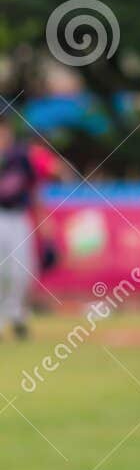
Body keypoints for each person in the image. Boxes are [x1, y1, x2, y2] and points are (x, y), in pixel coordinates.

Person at [0, 106, 36, 338]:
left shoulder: (20, 155)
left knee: (23, 271)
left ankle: (18, 315)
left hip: (19, 216)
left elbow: (34, 187)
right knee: (2, 271)